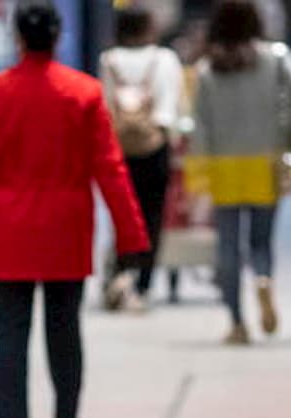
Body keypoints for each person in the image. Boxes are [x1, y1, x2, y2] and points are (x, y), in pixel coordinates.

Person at [0, 2, 149, 418]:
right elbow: (110, 169)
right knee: (64, 330)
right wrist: (132, 234)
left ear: (18, 37)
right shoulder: (81, 93)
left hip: (8, 229)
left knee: (10, 330)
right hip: (65, 227)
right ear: (58, 37)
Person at [189, 0, 291, 345]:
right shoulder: (276, 59)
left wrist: (198, 172)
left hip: (224, 167)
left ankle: (237, 321)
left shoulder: (208, 70)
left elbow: (200, 125)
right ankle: (263, 278)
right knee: (261, 240)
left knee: (227, 245)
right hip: (265, 161)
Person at [100, 6, 185, 310]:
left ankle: (122, 271)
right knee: (153, 218)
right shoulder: (165, 59)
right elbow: (173, 104)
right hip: (155, 144)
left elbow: (105, 105)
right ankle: (143, 284)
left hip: (119, 149)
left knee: (123, 215)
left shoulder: (108, 60)